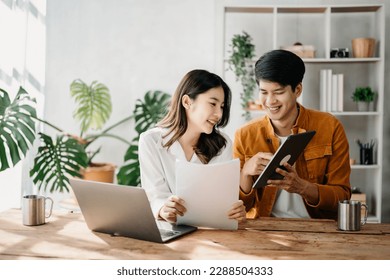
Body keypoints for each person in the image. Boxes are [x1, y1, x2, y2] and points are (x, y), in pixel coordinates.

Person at [233, 50, 351, 220]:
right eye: (264, 92)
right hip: (265, 229)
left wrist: (302, 187)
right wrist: (245, 174)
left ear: (297, 90)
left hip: (319, 229)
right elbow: (240, 208)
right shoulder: (244, 135)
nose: (270, 101)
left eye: (278, 92)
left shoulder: (330, 126)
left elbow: (343, 196)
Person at [139, 69, 246, 223]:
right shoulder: (151, 141)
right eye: (212, 104)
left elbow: (221, 200)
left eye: (222, 106)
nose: (219, 114)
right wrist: (164, 208)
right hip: (167, 229)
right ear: (187, 102)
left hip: (211, 231)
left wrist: (234, 210)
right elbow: (155, 196)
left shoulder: (223, 144)